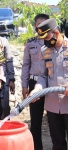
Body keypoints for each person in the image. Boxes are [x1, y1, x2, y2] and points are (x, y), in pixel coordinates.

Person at [30, 18, 68, 150]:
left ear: (56, 33)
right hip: (52, 105)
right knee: (57, 144)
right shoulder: (44, 50)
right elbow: (42, 76)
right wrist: (37, 89)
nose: (44, 41)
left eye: (47, 37)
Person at [21, 14, 49, 150]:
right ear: (35, 26)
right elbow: (26, 65)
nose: (42, 27)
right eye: (39, 24)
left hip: (53, 85)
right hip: (34, 85)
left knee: (56, 119)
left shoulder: (53, 42)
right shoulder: (30, 43)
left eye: (45, 24)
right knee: (36, 120)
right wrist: (24, 85)